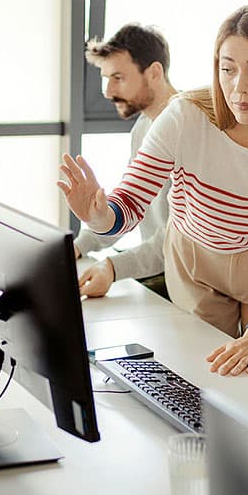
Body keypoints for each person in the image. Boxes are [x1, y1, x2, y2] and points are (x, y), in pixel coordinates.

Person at [59, 4, 248, 377]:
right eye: (227, 69)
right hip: (195, 261)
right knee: (203, 378)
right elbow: (130, 203)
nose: (239, 86)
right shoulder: (185, 116)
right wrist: (98, 216)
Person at [73, 24, 177, 299]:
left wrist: (112, 267)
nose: (108, 92)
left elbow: (176, 241)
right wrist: (78, 246)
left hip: (183, 281)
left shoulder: (188, 131)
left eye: (118, 77)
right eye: (106, 78)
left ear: (154, 73)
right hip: (158, 270)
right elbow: (128, 210)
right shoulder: (143, 127)